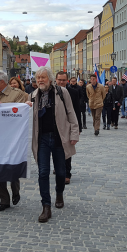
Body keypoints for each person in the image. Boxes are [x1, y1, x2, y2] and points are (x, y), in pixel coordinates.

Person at [27, 66, 79, 223]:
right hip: (41, 138)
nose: (40, 80)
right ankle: (46, 206)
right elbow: (17, 109)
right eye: (38, 78)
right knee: (43, 172)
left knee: (61, 172)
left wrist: (74, 133)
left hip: (59, 137)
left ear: (50, 79)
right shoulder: (33, 96)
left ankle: (59, 193)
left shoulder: (62, 93)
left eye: (43, 77)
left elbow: (71, 112)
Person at [0, 70, 28, 211]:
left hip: (13, 138)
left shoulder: (18, 94)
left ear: (2, 82)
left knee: (12, 167)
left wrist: (4, 108)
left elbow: (21, 114)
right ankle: (4, 200)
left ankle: (15, 190)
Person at [55, 72, 81, 184]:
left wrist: (78, 127)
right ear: (55, 80)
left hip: (69, 124)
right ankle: (58, 168)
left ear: (67, 81)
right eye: (59, 80)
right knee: (56, 149)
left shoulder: (73, 92)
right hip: (55, 125)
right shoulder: (52, 92)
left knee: (67, 149)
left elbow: (76, 110)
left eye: (63, 80)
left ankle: (67, 173)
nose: (61, 82)